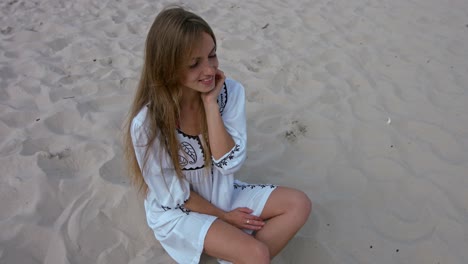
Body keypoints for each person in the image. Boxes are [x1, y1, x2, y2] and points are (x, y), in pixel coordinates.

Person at [124, 6, 311, 264]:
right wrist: (224, 216)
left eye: (212, 55)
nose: (210, 70)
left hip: (223, 190)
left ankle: (236, 254)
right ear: (167, 68)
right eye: (194, 63)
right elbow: (174, 195)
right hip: (180, 210)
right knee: (257, 255)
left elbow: (229, 164)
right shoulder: (147, 123)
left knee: (298, 204)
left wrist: (211, 104)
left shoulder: (230, 93)